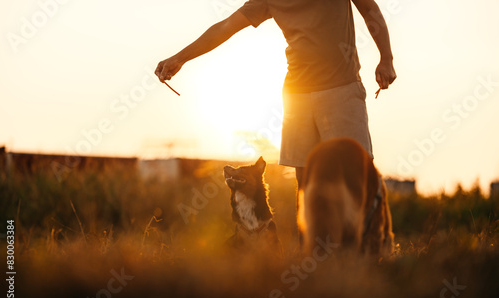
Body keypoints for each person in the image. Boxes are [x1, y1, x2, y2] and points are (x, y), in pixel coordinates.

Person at [155, 0, 396, 190]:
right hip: (297, 96)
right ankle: (309, 250)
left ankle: (365, 249)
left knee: (356, 175)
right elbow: (225, 27)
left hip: (341, 88)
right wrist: (179, 58)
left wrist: (386, 58)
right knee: (306, 182)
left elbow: (368, 8)